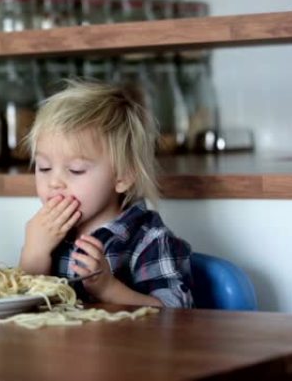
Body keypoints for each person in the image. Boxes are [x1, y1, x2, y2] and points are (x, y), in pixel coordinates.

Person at [19, 80, 193, 308]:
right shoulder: (47, 234)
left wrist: (109, 290)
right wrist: (34, 254)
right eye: (43, 167)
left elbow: (178, 312)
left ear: (122, 177)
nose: (54, 182)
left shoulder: (149, 239)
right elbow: (25, 307)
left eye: (75, 170)